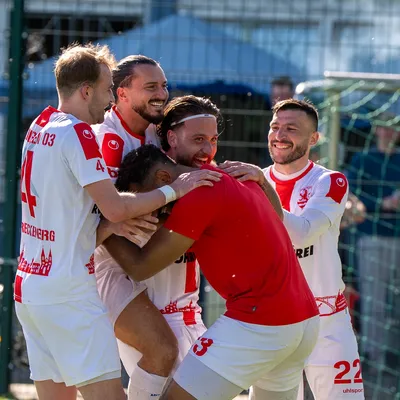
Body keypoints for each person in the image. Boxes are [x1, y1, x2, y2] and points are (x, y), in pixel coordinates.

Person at [15, 44, 221, 400]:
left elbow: (82, 215)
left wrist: (109, 223)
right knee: (126, 381)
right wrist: (174, 190)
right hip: (74, 285)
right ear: (87, 91)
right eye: (108, 89)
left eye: (163, 85)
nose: (109, 99)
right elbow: (114, 209)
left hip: (31, 282)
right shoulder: (84, 134)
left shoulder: (40, 125)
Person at [103, 144, 320, 400]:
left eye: (146, 200)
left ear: (163, 178)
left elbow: (141, 266)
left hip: (260, 321)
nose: (148, 208)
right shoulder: (235, 176)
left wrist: (104, 223)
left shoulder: (198, 194)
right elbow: (275, 217)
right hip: (305, 320)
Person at [93, 56, 223, 399]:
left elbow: (188, 168)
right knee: (161, 353)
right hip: (112, 264)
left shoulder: (157, 130)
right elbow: (107, 213)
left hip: (155, 266)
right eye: (150, 86)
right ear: (121, 93)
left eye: (164, 85)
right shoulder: (106, 139)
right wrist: (167, 196)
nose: (162, 94)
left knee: (181, 377)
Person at [220, 98, 365, 399]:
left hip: (326, 319)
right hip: (275, 320)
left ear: (314, 138)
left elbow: (302, 234)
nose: (280, 135)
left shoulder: (330, 181)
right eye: (275, 127)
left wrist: (262, 187)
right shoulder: (251, 181)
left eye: (291, 129)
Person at [347, 112, 400, 368]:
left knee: (395, 301)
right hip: (371, 237)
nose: (388, 132)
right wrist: (382, 203)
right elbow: (350, 195)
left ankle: (394, 356)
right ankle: (374, 356)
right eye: (383, 127)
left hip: (398, 237)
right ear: (376, 130)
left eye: (393, 128)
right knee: (374, 298)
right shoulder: (362, 160)